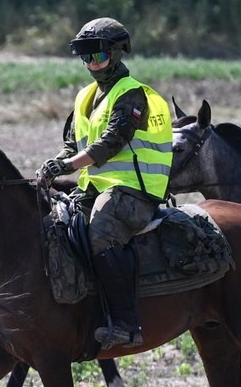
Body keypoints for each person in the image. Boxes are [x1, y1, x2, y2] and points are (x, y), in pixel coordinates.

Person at [37, 17, 172, 350]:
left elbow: (110, 143)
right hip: (96, 189)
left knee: (100, 229)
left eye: (97, 56)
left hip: (134, 194)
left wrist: (65, 165)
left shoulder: (132, 95)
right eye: (85, 57)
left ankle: (127, 323)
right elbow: (73, 144)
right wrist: (55, 162)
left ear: (117, 52)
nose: (91, 64)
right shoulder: (84, 97)